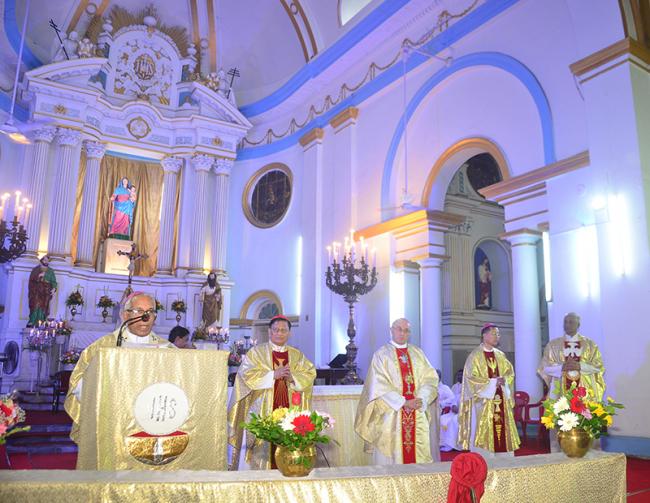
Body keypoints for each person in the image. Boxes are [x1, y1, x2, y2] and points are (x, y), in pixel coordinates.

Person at [64, 292, 170, 443]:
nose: (145, 317)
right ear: (125, 316)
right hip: (112, 424)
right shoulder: (102, 348)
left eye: (150, 312)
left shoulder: (167, 350)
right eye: (139, 311)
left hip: (153, 425)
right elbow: (79, 386)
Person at [227, 315, 316, 470]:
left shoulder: (297, 355)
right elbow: (245, 375)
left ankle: (289, 471)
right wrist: (273, 375)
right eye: (276, 330)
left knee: (288, 439)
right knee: (263, 446)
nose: (279, 333)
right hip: (264, 408)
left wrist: (292, 378)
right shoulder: (256, 353)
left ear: (289, 333)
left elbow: (309, 373)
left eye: (283, 330)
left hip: (290, 407)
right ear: (269, 332)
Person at [355, 318, 440, 464]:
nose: (402, 333)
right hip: (392, 413)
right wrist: (404, 402)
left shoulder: (418, 353)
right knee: (392, 458)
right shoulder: (381, 355)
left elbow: (430, 378)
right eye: (399, 329)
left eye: (406, 330)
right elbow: (379, 385)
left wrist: (421, 399)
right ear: (391, 330)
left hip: (416, 411)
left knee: (418, 456)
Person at [457, 323, 520, 456]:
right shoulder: (475, 356)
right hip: (483, 403)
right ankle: (484, 459)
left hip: (501, 399)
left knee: (503, 432)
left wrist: (505, 381)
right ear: (484, 336)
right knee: (483, 432)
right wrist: (492, 383)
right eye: (493, 334)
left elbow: (510, 374)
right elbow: (470, 379)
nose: (497, 336)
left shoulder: (501, 355)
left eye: (498, 334)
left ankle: (505, 459)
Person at [537, 312, 605, 400]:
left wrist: (580, 366)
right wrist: (561, 367)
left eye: (571, 322)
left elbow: (598, 367)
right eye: (565, 322)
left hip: (585, 392)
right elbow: (544, 368)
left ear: (578, 325)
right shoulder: (553, 345)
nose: (567, 325)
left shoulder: (590, 345)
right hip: (560, 392)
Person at [27, 255, 57, 327]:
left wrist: (54, 288)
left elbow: (54, 281)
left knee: (44, 306)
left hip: (45, 292)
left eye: (47, 260)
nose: (46, 262)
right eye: (45, 260)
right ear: (41, 260)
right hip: (36, 291)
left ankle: (42, 321)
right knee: (35, 305)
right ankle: (32, 321)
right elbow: (31, 280)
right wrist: (39, 276)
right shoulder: (35, 269)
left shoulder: (50, 271)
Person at [438, 369, 459, 452]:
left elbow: (452, 398)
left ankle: (448, 444)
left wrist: (441, 403)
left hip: (448, 411)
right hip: (435, 411)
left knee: (447, 421)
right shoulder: (454, 386)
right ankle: (440, 443)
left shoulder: (445, 388)